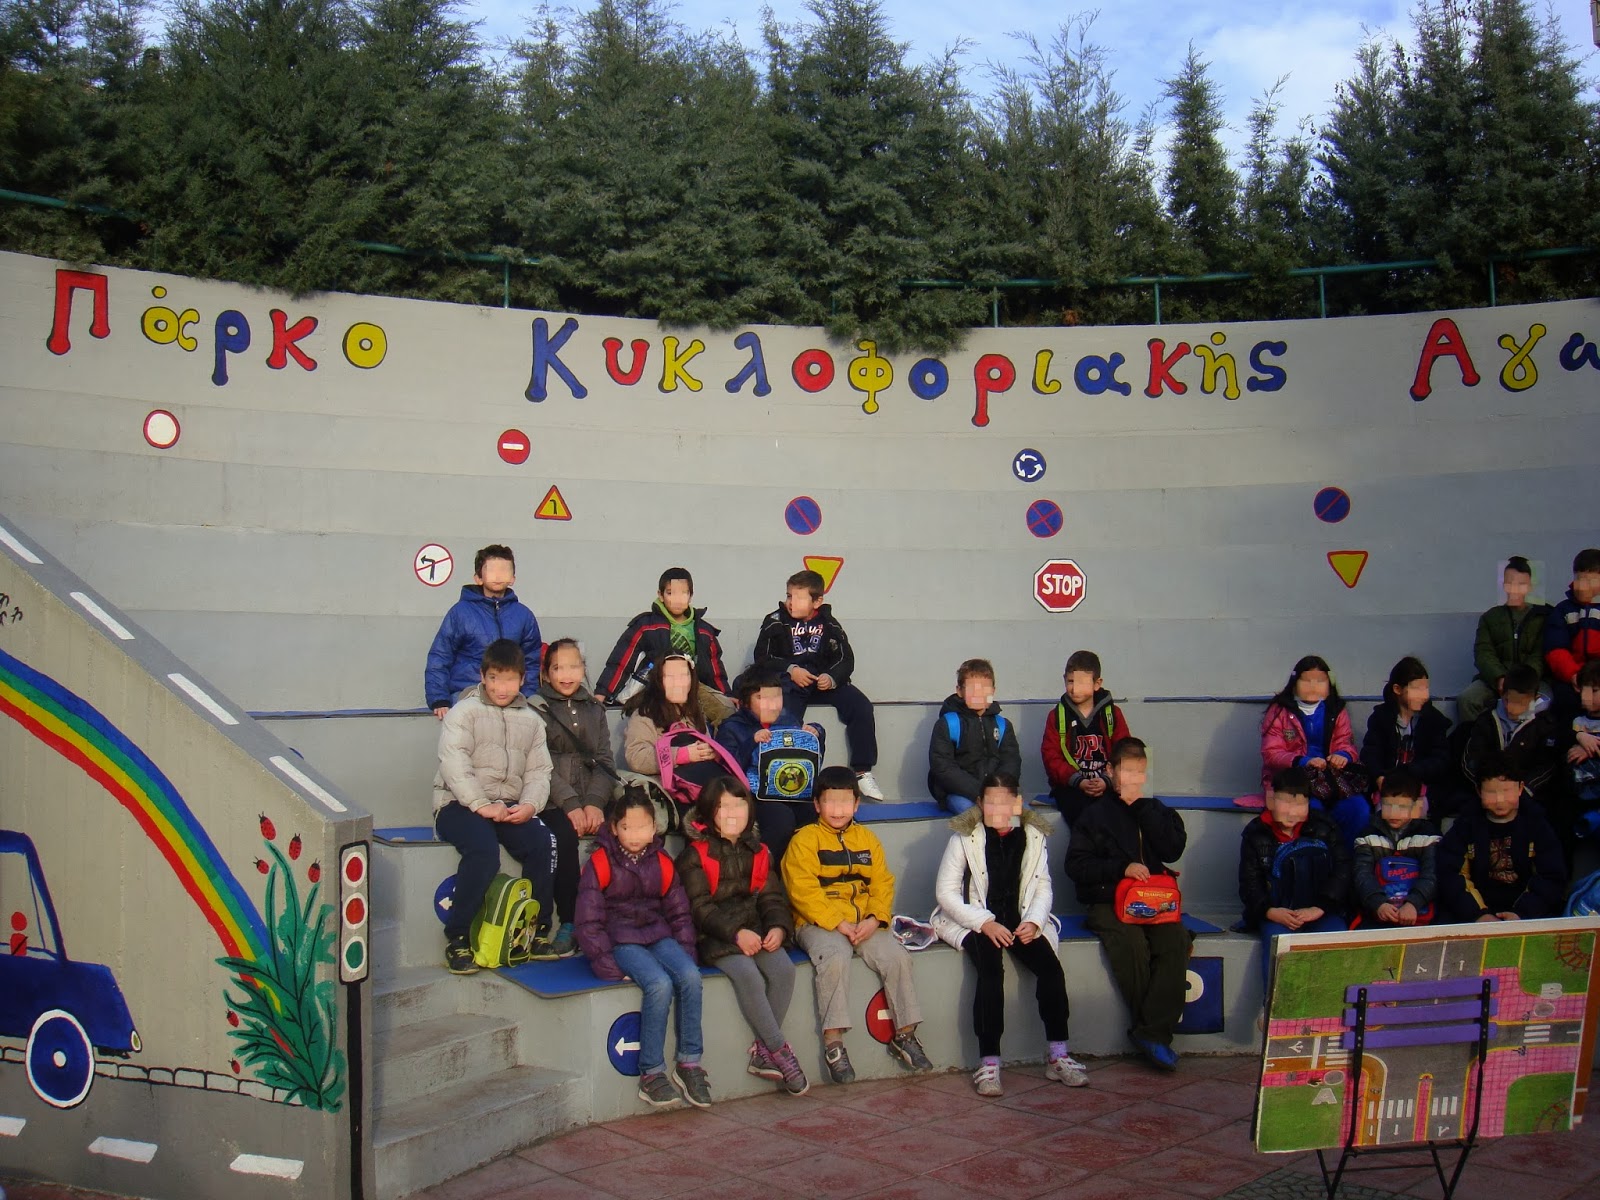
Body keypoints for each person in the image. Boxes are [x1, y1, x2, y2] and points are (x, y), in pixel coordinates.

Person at [933, 771, 1085, 1096]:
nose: (998, 811)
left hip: (1020, 917)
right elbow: (946, 893)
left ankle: (1058, 1055)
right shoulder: (964, 836)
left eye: (1005, 803)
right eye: (990, 803)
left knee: (1051, 969)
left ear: (1017, 803)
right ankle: (989, 1063)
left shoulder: (1033, 835)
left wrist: (1035, 921)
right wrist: (984, 923)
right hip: (977, 918)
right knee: (991, 971)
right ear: (979, 804)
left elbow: (1043, 885)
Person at [783, 766, 929, 1082]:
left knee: (897, 957)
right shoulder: (804, 840)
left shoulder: (867, 839)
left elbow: (882, 883)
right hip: (817, 923)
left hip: (863, 922)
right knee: (836, 957)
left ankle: (905, 1034)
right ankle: (834, 1042)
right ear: (817, 804)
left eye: (845, 802)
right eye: (830, 802)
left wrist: (875, 918)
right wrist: (837, 922)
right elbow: (802, 889)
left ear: (857, 804)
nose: (838, 810)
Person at [574, 790, 710, 1109]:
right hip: (622, 939)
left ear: (654, 829)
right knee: (659, 984)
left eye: (642, 827)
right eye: (626, 827)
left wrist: (686, 954)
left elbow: (678, 912)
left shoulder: (662, 861)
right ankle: (651, 1073)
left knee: (690, 976)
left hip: (656, 933)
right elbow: (588, 920)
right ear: (614, 828)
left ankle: (689, 1062)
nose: (634, 835)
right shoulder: (600, 862)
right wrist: (607, 965)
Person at [676, 776, 808, 1096]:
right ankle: (779, 1050)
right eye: (723, 806)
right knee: (748, 974)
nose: (733, 812)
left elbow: (771, 898)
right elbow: (699, 907)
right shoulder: (695, 854)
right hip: (714, 935)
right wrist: (736, 934)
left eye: (739, 804)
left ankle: (763, 1054)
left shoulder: (758, 851)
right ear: (709, 812)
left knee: (784, 970)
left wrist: (778, 927)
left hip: (754, 928)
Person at [1065, 738, 1191, 1072]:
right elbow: (1076, 866)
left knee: (1176, 941)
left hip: (1154, 901)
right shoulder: (1094, 814)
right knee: (1132, 945)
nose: (1133, 779)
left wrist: (1143, 809)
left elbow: (1172, 849)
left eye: (1140, 772)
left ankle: (1150, 1032)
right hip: (1107, 900)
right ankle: (1153, 1032)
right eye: (1127, 771)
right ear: (1110, 770)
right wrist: (1121, 869)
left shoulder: (1156, 809)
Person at [433, 639, 556, 974]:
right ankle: (458, 938)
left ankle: (536, 932)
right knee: (484, 850)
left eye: (510, 679)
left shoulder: (532, 721)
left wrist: (530, 805)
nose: (502, 687)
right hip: (457, 804)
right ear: (483, 677)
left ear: (522, 679)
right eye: (494, 678)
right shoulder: (464, 712)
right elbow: (454, 763)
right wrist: (480, 804)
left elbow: (539, 771)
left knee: (543, 842)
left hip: (508, 806)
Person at [753, 569, 883, 800]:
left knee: (861, 706)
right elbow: (762, 657)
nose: (791, 602)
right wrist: (791, 669)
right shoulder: (775, 621)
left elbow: (846, 659)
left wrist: (831, 677)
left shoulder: (829, 624)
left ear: (817, 601)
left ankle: (862, 772)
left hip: (822, 683)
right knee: (785, 713)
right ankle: (788, 770)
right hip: (791, 684)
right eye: (789, 595)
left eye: (799, 597)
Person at [527, 637, 615, 957]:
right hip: (552, 798)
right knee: (562, 836)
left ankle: (615, 918)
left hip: (592, 795)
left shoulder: (595, 709)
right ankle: (569, 922)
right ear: (546, 673)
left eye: (573, 667)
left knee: (626, 831)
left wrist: (594, 802)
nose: (566, 675)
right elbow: (540, 765)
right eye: (558, 668)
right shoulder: (535, 709)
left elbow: (605, 761)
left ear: (583, 669)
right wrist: (572, 804)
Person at [1238, 767, 1351, 992]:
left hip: (1320, 912)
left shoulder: (1324, 827)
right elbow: (1249, 882)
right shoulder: (1256, 833)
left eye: (1300, 804)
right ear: (1271, 801)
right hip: (1277, 914)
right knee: (1279, 948)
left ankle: (1328, 1005)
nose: (1292, 812)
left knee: (1335, 940)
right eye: (1286, 803)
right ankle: (1276, 1007)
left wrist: (1320, 907)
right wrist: (1269, 911)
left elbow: (1342, 870)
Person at [1436, 756, 1566, 923]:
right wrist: (1478, 914)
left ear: (1520, 788)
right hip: (1477, 909)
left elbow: (1551, 876)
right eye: (1491, 792)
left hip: (1527, 911)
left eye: (1506, 791)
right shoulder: (1466, 825)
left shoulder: (1537, 825)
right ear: (1478, 791)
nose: (1500, 800)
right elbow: (1450, 874)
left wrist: (1522, 914)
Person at [715, 667, 824, 863]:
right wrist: (751, 742)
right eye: (761, 697)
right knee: (781, 819)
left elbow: (811, 763)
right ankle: (765, 871)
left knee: (818, 811)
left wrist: (816, 733)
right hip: (753, 796)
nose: (771, 704)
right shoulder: (732, 727)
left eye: (776, 697)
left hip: (794, 791)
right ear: (745, 702)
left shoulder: (789, 720)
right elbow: (727, 770)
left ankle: (805, 870)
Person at [425, 544, 542, 718]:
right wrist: (439, 698)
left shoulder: (524, 615)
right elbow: (441, 655)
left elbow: (531, 660)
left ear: (513, 578)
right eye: (491, 570)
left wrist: (527, 696)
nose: (498, 575)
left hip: (510, 695)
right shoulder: (460, 612)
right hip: (468, 692)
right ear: (478, 578)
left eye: (504, 570)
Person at [595, 567, 731, 706]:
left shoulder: (704, 631)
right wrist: (603, 692)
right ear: (660, 595)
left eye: (684, 593)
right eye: (671, 593)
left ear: (691, 596)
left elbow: (715, 670)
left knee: (725, 710)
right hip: (654, 692)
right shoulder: (646, 626)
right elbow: (621, 661)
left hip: (693, 693)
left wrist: (726, 696)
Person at [622, 654, 737, 811]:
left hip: (702, 787)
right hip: (671, 794)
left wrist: (709, 752)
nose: (678, 683)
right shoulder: (645, 714)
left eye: (684, 676)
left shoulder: (694, 712)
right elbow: (636, 758)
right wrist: (682, 755)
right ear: (658, 681)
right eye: (670, 677)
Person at [1356, 655, 1452, 837]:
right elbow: (1370, 753)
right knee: (1386, 816)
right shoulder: (1381, 718)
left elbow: (1440, 759)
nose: (1423, 695)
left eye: (1425, 688)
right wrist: (1379, 776)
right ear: (1397, 689)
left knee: (1419, 819)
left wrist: (1413, 773)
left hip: (1420, 786)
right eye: (1416, 689)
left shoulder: (1434, 720)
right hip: (1389, 786)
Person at [1259, 655, 1366, 814]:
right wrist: (1303, 761)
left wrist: (1342, 755)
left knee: (1358, 808)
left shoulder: (1336, 710)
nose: (1313, 687)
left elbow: (1346, 743)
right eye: (1306, 681)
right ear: (1294, 684)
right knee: (1311, 809)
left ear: (1329, 684)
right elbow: (1271, 753)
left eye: (1320, 681)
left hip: (1331, 778)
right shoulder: (1280, 711)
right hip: (1293, 780)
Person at [1042, 650, 1131, 826]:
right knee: (1083, 816)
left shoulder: (1112, 714)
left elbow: (1125, 751)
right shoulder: (1057, 716)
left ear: (1097, 684)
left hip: (1107, 783)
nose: (1075, 689)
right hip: (1072, 786)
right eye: (1070, 681)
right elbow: (1050, 756)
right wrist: (1078, 780)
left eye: (1082, 683)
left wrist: (1107, 780)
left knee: (1117, 813)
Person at [1457, 556, 1550, 724]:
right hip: (1495, 681)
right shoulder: (1490, 617)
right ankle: (1481, 739)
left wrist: (1522, 683)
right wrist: (1499, 678)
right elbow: (1483, 653)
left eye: (1521, 584)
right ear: (1504, 585)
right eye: (1510, 583)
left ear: (1529, 587)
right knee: (1467, 700)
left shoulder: (1542, 617)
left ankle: (1525, 739)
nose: (1515, 589)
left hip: (1530, 681)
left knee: (1545, 701)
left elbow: (1539, 656)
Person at [928, 658, 1022, 814]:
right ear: (960, 691)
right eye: (972, 689)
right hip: (960, 793)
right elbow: (943, 767)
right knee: (976, 815)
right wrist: (980, 793)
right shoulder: (948, 724)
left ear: (993, 691)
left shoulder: (1002, 725)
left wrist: (998, 792)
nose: (979, 694)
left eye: (985, 688)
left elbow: (1011, 762)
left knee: (1022, 815)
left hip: (997, 793)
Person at [1460, 663, 1561, 803]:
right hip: (1487, 792)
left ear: (1535, 698)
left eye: (1521, 703)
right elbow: (1472, 759)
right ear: (1502, 692)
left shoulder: (1545, 725)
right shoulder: (1487, 719)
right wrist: (1488, 787)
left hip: (1525, 795)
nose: (1512, 708)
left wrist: (1522, 790)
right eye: (1507, 700)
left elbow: (1546, 765)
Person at [1351, 770, 1439, 928]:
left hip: (1419, 909)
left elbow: (1431, 873)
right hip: (1378, 910)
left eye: (1402, 807)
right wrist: (1378, 903)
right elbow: (1362, 874)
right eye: (1388, 805)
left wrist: (1413, 903)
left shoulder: (1428, 834)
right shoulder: (1368, 835)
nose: (1394, 813)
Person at [1544, 547, 1600, 722]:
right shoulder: (1563, 610)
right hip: (1572, 678)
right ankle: (1571, 737)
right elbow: (1555, 649)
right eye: (1579, 579)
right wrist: (1573, 675)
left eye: (1589, 581)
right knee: (1564, 701)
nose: (1582, 586)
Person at [1568, 660, 1600, 838]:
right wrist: (1579, 736)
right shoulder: (1577, 721)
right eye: (1584, 690)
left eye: (1594, 691)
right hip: (1579, 792)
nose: (1587, 697)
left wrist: (1588, 749)